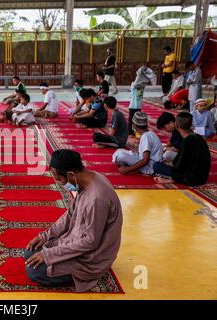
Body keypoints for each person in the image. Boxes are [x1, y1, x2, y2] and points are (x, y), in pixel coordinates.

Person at [24, 149, 123, 292]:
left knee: (34, 272)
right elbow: (70, 215)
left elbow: (90, 242)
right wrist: (45, 236)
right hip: (78, 241)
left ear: (70, 174)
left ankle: (82, 273)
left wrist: (50, 254)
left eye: (60, 179)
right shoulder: (89, 180)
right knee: (30, 252)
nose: (60, 183)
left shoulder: (96, 199)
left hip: (92, 258)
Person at [153, 112, 211, 186]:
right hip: (203, 177)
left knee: (157, 165)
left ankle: (172, 179)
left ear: (177, 125)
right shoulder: (199, 137)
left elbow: (179, 166)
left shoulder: (186, 141)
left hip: (191, 179)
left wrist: (170, 166)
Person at [128, 66, 157, 136]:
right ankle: (130, 132)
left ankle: (136, 131)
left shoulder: (142, 86)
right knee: (131, 120)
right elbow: (139, 77)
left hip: (138, 106)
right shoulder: (133, 86)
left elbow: (145, 79)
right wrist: (141, 71)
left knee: (138, 119)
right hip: (133, 106)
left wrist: (146, 71)